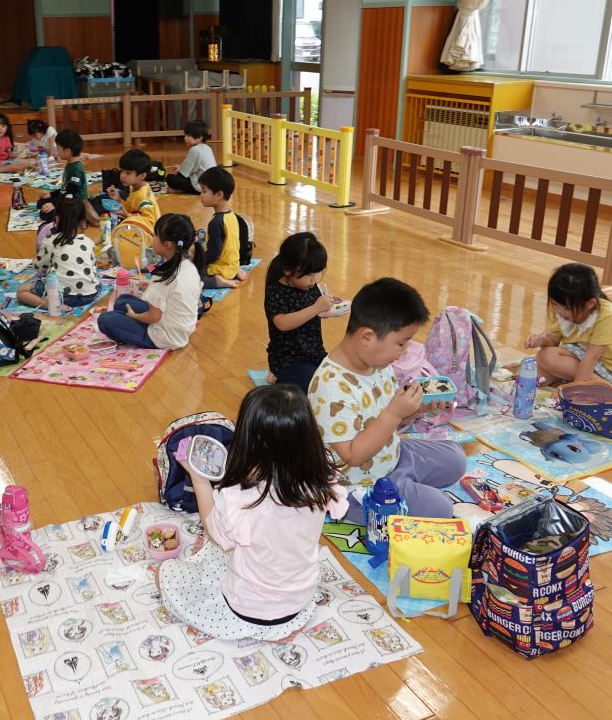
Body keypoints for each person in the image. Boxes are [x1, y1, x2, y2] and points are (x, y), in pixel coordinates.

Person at [157, 385, 350, 641]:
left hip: (248, 608)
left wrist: (198, 477)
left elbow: (215, 533)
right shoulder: (321, 478)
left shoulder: (240, 498)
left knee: (168, 575)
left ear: (249, 440)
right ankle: (282, 627)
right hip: (300, 598)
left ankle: (254, 627)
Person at [309, 278, 467, 520]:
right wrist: (394, 412)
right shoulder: (330, 387)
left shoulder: (378, 363)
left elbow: (391, 420)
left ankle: (406, 480)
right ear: (367, 337)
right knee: (440, 509)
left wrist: (417, 409)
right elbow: (352, 455)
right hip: (357, 482)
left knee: (456, 458)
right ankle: (368, 503)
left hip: (391, 454)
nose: (404, 351)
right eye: (401, 343)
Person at [98, 213, 203, 349]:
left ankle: (137, 329)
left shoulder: (164, 276)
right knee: (123, 301)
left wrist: (134, 316)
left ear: (167, 244)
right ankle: (127, 317)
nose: (152, 239)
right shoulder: (189, 266)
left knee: (105, 320)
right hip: (179, 328)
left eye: (155, 235)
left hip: (164, 337)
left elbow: (153, 317)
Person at [525, 262, 612, 386]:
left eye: (565, 307)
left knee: (546, 356)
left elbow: (591, 357)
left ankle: (602, 385)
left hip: (603, 365)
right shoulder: (562, 308)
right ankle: (583, 381)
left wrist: (575, 390)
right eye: (554, 304)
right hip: (576, 355)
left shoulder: (607, 316)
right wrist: (541, 341)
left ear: (590, 304)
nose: (559, 311)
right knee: (536, 375)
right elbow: (554, 340)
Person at [265, 232, 341, 393]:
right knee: (316, 389)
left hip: (313, 353)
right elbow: (282, 323)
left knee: (337, 380)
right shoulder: (276, 290)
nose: (315, 279)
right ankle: (279, 379)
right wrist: (315, 308)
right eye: (309, 274)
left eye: (319, 272)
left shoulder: (309, 286)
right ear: (287, 270)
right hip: (287, 360)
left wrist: (329, 307)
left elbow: (316, 313)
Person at [16, 196, 100, 309]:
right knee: (96, 283)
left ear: (57, 219)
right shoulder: (88, 241)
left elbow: (40, 268)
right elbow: (93, 268)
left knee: (21, 292)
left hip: (62, 296)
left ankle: (50, 304)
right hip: (90, 295)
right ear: (82, 221)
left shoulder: (52, 240)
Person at [197, 167, 247, 289]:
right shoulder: (232, 215)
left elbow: (214, 255)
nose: (201, 195)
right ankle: (235, 271)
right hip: (233, 264)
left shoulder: (216, 223)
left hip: (221, 269)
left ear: (219, 194)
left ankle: (218, 281)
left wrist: (199, 259)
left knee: (192, 274)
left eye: (204, 191)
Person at [106, 149, 160, 235]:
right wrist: (119, 199)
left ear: (142, 175)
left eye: (128, 173)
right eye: (122, 171)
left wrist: (126, 215)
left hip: (148, 235)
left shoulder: (144, 198)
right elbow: (130, 208)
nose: (122, 176)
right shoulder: (135, 187)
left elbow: (149, 222)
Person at [165, 120, 216, 194]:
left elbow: (182, 174)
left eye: (188, 136)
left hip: (201, 186)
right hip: (211, 184)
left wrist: (179, 171)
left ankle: (182, 190)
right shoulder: (207, 148)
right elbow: (194, 168)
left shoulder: (195, 149)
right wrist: (180, 168)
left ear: (199, 138)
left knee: (170, 178)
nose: (184, 138)